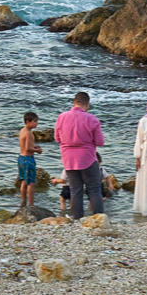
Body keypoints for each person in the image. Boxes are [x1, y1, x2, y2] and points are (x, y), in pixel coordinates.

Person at [54, 91, 106, 219]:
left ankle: (77, 219)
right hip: (87, 158)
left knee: (75, 190)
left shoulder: (62, 117)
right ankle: (98, 218)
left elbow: (57, 138)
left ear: (74, 102)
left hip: (69, 160)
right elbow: (100, 142)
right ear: (87, 104)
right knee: (94, 190)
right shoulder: (92, 119)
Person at [16, 111, 40, 209]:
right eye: (35, 121)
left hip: (21, 158)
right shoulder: (29, 133)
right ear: (27, 121)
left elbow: (25, 145)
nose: (36, 123)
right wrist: (37, 150)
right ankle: (31, 204)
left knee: (23, 181)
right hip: (28, 159)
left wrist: (34, 146)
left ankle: (23, 201)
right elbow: (28, 148)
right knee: (31, 183)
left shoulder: (22, 130)